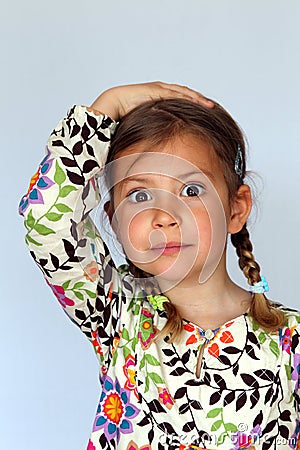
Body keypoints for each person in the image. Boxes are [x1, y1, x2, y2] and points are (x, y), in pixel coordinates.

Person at [19, 82, 300, 450]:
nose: (165, 216)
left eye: (191, 190)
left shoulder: (291, 340)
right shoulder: (116, 313)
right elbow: (45, 219)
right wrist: (108, 106)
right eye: (140, 195)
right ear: (115, 221)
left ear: (235, 208)